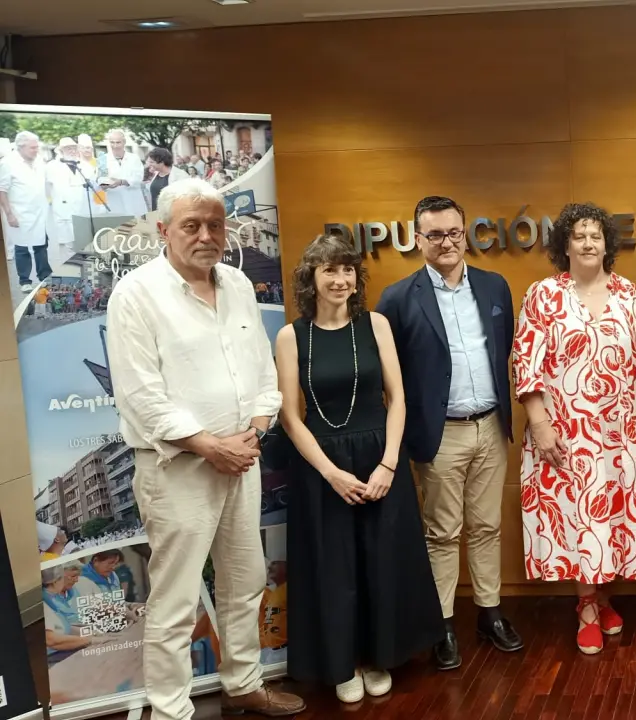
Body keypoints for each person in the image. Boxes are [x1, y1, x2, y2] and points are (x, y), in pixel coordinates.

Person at [105, 177, 305, 719]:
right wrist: (208, 444)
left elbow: (262, 371)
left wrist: (255, 430)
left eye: (215, 225)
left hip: (242, 460)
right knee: (175, 599)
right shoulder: (136, 295)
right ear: (163, 230)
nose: (206, 236)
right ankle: (171, 711)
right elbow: (140, 396)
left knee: (245, 582)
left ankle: (243, 684)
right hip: (178, 469)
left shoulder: (238, 284)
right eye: (191, 225)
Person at [275, 233, 443, 702]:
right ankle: (343, 663)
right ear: (311, 277)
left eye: (347, 269)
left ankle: (377, 657)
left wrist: (389, 463)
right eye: (329, 270)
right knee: (334, 569)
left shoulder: (375, 325)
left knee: (381, 561)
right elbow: (290, 415)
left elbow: (398, 398)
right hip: (321, 466)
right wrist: (330, 472)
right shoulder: (291, 336)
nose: (340, 279)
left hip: (379, 458)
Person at [376, 195, 522, 670]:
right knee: (442, 532)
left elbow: (504, 348)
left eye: (454, 232)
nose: (446, 242)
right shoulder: (398, 299)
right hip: (440, 435)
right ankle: (442, 625)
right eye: (435, 234)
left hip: (491, 427)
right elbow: (388, 374)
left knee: (487, 526)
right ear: (418, 239)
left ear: (465, 234)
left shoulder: (494, 286)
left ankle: (490, 612)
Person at [512, 203, 636, 655]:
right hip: (565, 434)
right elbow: (526, 365)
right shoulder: (543, 295)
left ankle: (602, 597)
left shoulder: (631, 296)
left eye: (595, 235)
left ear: (606, 244)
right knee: (580, 519)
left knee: (613, 519)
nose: (587, 243)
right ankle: (587, 609)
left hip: (620, 435)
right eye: (578, 236)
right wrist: (540, 425)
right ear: (565, 244)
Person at [0, 130, 53, 292]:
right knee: (22, 247)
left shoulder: (39, 161)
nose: (36, 150)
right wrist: (9, 214)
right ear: (21, 147)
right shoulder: (8, 163)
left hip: (40, 212)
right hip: (19, 213)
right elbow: (2, 190)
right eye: (32, 148)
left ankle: (45, 276)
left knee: (41, 244)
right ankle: (25, 281)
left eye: (37, 147)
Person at [98, 128, 147, 217]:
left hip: (133, 201)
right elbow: (100, 178)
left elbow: (138, 178)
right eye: (112, 142)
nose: (115, 146)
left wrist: (121, 182)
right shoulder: (103, 159)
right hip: (114, 201)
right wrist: (105, 185)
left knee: (135, 223)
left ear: (124, 142)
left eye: (118, 142)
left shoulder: (134, 158)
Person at [145, 148, 191, 213]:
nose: (149, 164)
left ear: (162, 162)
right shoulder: (155, 174)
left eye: (152, 162)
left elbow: (186, 198)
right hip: (156, 214)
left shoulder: (180, 175)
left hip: (173, 214)